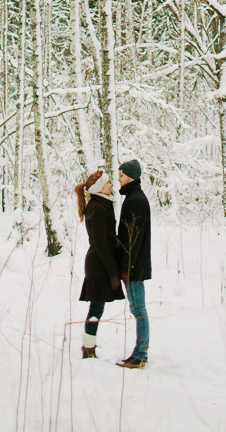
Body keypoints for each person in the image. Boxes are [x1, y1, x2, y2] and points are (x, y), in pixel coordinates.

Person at [75, 169, 123, 359]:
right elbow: (101, 244)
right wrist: (112, 273)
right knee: (96, 307)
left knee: (97, 307)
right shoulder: (96, 208)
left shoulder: (102, 205)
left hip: (101, 262)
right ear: (98, 188)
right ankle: (88, 348)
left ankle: (89, 346)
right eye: (107, 183)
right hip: (98, 264)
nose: (111, 185)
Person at [116, 158, 151, 369]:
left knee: (139, 310)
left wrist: (127, 268)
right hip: (133, 265)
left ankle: (140, 354)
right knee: (138, 310)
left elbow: (134, 238)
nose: (118, 178)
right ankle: (139, 353)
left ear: (130, 176)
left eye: (121, 175)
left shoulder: (136, 200)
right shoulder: (132, 197)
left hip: (134, 267)